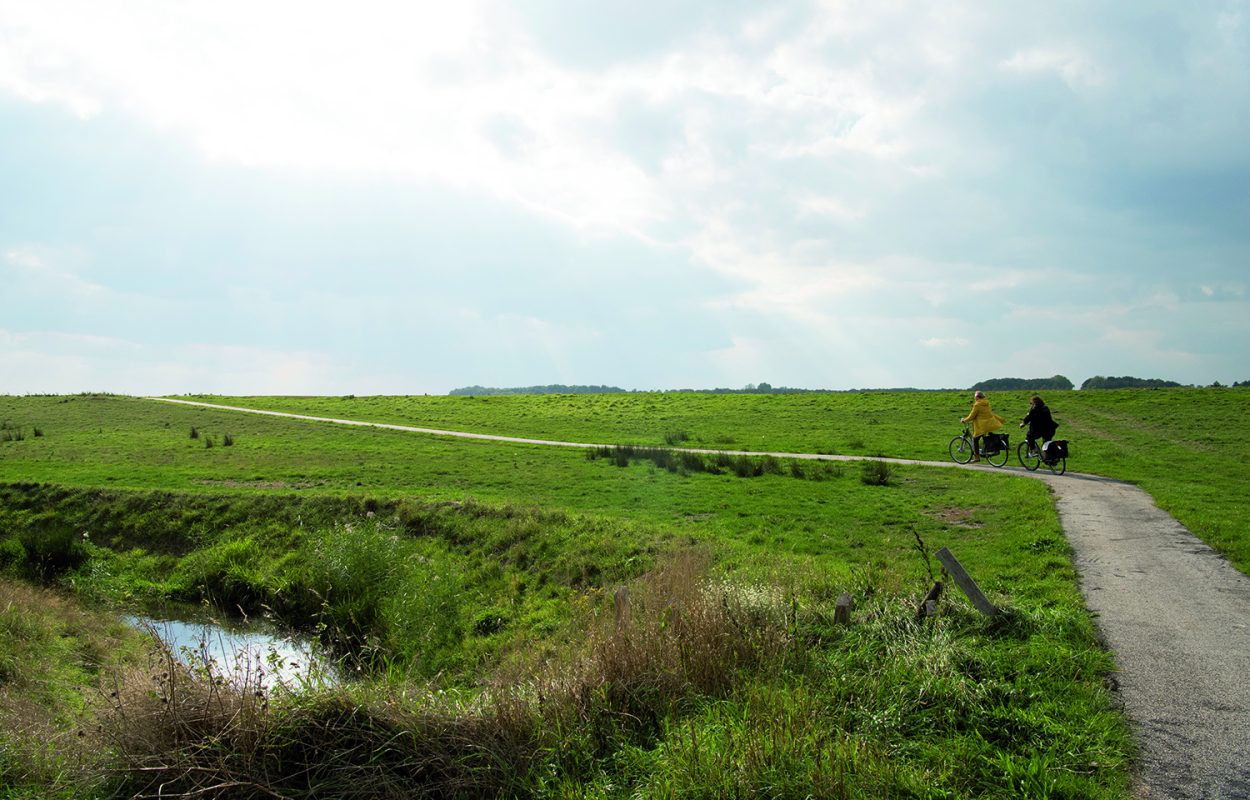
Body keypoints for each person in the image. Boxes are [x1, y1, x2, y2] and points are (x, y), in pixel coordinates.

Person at [960, 391, 1005, 463]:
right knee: (986, 438)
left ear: (977, 397)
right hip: (990, 424)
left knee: (975, 440)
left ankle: (977, 457)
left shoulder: (977, 405)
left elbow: (971, 416)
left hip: (982, 426)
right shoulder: (986, 403)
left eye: (975, 397)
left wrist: (964, 420)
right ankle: (986, 450)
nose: (974, 399)